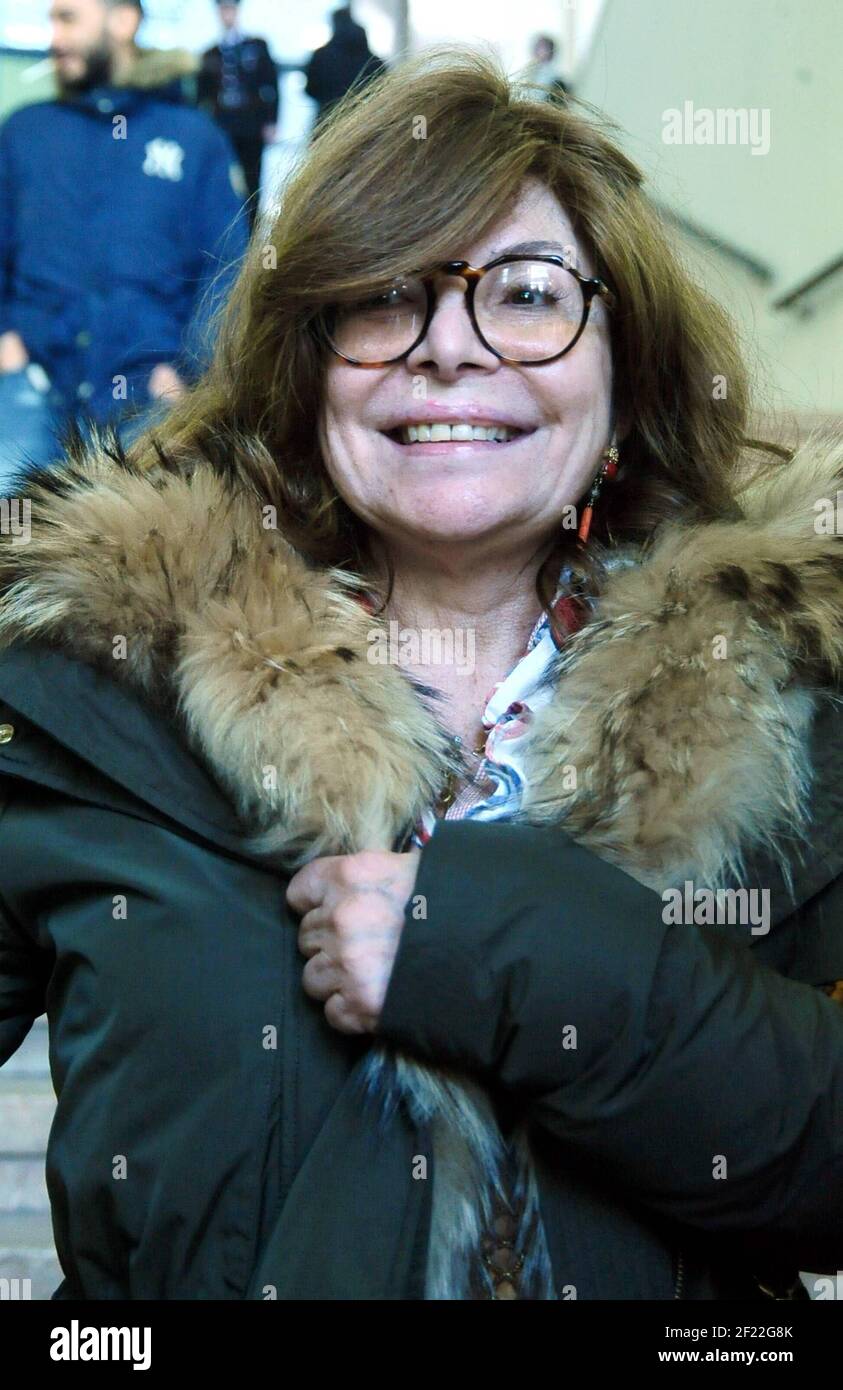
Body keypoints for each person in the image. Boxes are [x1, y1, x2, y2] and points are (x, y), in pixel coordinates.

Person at [1, 48, 842, 1303]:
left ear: (624, 372)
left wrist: (500, 946)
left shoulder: (792, 701)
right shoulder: (92, 685)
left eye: (527, 293)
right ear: (308, 357)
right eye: (384, 295)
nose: (448, 349)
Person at [0, 0, 249, 486]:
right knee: (11, 525)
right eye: (52, 20)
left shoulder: (195, 140)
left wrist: (191, 376)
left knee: (155, 543)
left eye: (67, 18)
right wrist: (6, 340)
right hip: (30, 384)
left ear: (123, 21)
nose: (55, 37)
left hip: (149, 396)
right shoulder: (25, 133)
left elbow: (228, 272)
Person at [198, 1, 279, 229]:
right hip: (224, 125)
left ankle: (252, 231)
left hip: (251, 125)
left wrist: (272, 121)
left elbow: (271, 86)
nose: (227, 14)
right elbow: (202, 95)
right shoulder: (211, 53)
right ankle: (228, 230)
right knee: (224, 179)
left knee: (253, 181)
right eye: (223, 9)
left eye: (230, 9)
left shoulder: (257, 46)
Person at [304, 5, 385, 131]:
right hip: (364, 122)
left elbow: (311, 89)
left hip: (327, 121)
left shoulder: (321, 56)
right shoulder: (373, 60)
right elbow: (384, 89)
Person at [525, 33, 569, 100]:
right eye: (537, 46)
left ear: (551, 50)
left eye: (542, 47)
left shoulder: (555, 78)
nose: (537, 50)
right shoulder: (530, 72)